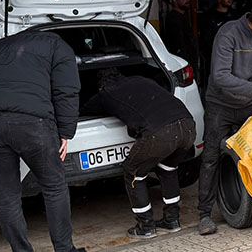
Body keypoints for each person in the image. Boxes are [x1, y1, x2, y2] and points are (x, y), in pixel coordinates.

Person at [0, 30, 84, 252]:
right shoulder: (58, 46)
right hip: (31, 122)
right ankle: (65, 249)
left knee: (6, 196)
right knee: (54, 187)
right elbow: (66, 90)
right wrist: (66, 132)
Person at [197, 0, 252, 236]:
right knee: (211, 157)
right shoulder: (228, 34)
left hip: (248, 104)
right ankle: (204, 215)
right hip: (220, 105)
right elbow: (220, 77)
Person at [80, 68, 196, 238]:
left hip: (161, 133)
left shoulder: (105, 93)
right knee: (167, 168)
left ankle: (146, 225)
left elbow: (85, 111)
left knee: (133, 172)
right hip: (188, 126)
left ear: (100, 87)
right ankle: (172, 220)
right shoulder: (141, 79)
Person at [198, 0, 236, 93]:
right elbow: (205, 40)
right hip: (214, 58)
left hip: (234, 57)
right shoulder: (208, 17)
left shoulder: (235, 16)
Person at [164, 0, 199, 77]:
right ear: (174, 0)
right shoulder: (173, 19)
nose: (187, 0)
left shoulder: (182, 17)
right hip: (183, 62)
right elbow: (178, 44)